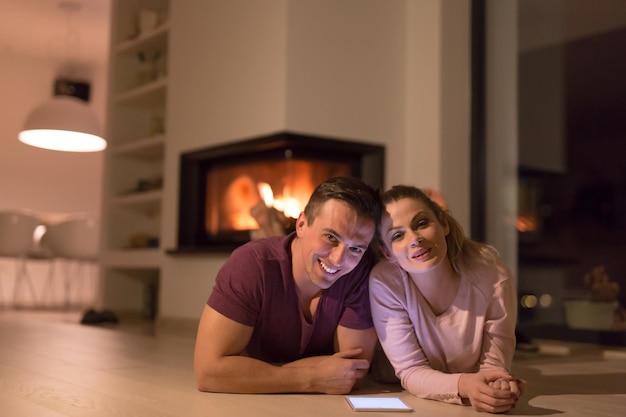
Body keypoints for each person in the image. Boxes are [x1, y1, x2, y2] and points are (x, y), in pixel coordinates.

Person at [194, 176, 383, 394]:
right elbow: (209, 373)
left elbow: (351, 374)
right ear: (301, 224)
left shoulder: (361, 271)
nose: (339, 259)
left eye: (356, 248)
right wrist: (312, 377)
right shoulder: (251, 265)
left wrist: (252, 371)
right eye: (331, 237)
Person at [369, 185, 526, 413]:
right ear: (387, 253)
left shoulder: (494, 278)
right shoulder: (385, 282)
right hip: (393, 389)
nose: (415, 239)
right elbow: (411, 370)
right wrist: (466, 385)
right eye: (398, 235)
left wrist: (496, 388)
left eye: (421, 223)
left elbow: (493, 367)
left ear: (443, 224)